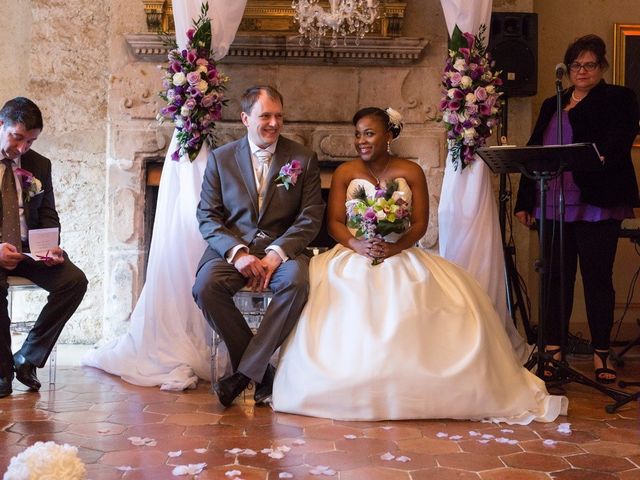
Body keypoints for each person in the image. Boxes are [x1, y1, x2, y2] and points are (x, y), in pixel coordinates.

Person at [271, 107, 567, 423]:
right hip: (354, 254)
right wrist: (359, 244)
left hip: (399, 252)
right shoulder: (345, 172)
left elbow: (421, 224)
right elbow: (334, 223)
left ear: (389, 135)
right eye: (357, 134)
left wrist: (394, 246)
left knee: (440, 300)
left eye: (369, 133)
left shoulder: (411, 171)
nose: (361, 141)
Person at [514, 34, 640, 384]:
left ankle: (602, 353)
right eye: (576, 65)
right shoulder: (552, 102)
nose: (582, 71)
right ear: (567, 69)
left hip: (596, 201)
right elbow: (535, 150)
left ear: (602, 67)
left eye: (589, 65)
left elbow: (616, 143)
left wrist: (581, 110)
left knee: (597, 279)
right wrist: (526, 200)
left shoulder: (618, 98)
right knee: (555, 279)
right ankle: (553, 351)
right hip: (552, 201)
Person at [192, 85, 324, 408]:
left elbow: (310, 217)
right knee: (205, 287)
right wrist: (237, 254)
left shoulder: (303, 159)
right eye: (265, 115)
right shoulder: (221, 160)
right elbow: (207, 216)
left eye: (279, 116)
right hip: (234, 251)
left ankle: (241, 376)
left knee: (296, 283)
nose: (274, 123)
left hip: (282, 253)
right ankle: (261, 373)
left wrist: (276, 255)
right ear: (245, 119)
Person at [0, 97, 88, 398]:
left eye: (31, 141)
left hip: (28, 250)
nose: (23, 147)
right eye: (18, 137)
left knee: (74, 281)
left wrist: (51, 246)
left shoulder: (39, 164)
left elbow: (48, 213)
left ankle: (27, 357)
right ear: (2, 125)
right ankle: (2, 371)